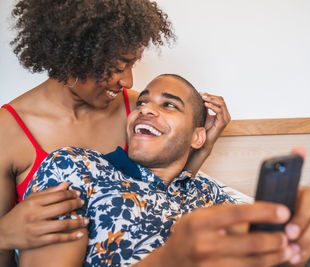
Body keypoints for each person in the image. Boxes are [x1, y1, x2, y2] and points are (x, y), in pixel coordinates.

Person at [0, 1, 230, 265]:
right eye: (120, 66)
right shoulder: (8, 131)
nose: (128, 81)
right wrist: (3, 235)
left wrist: (200, 145)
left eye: (132, 65)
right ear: (76, 56)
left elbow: (160, 191)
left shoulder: (136, 109)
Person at [20, 74, 310, 267]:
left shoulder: (208, 194)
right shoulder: (75, 167)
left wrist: (284, 250)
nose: (146, 109)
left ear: (198, 136)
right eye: (142, 102)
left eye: (169, 105)